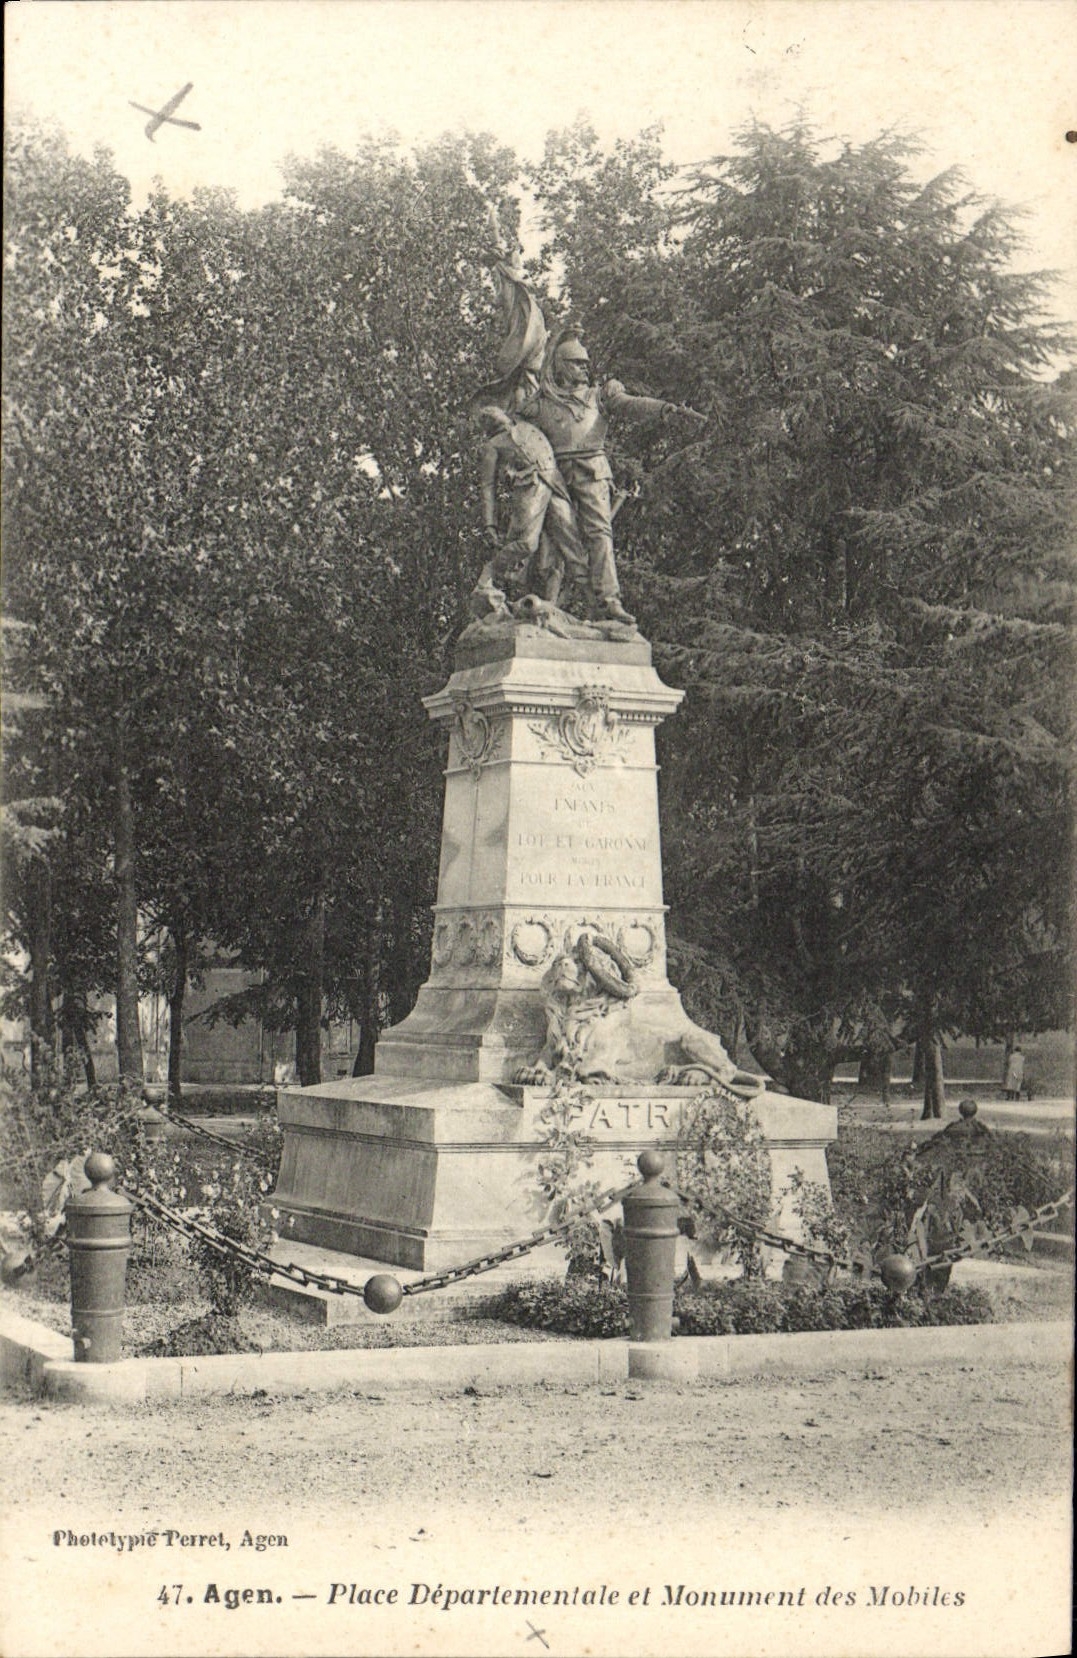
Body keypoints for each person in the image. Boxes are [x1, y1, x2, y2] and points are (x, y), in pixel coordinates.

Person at [519, 329, 707, 625]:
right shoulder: (542, 402)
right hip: (553, 477)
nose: (584, 367)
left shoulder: (600, 396)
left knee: (600, 535)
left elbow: (631, 404)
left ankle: (609, 601)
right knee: (552, 541)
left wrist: (664, 411)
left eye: (585, 363)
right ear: (561, 365)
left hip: (592, 471)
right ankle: (547, 602)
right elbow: (516, 427)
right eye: (577, 362)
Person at [471, 400, 589, 612]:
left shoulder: (528, 425)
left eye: (494, 410)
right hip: (528, 488)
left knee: (570, 546)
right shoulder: (492, 446)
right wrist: (490, 523)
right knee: (526, 544)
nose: (495, 413)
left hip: (554, 482)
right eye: (489, 415)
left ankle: (563, 606)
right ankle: (488, 573)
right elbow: (487, 486)